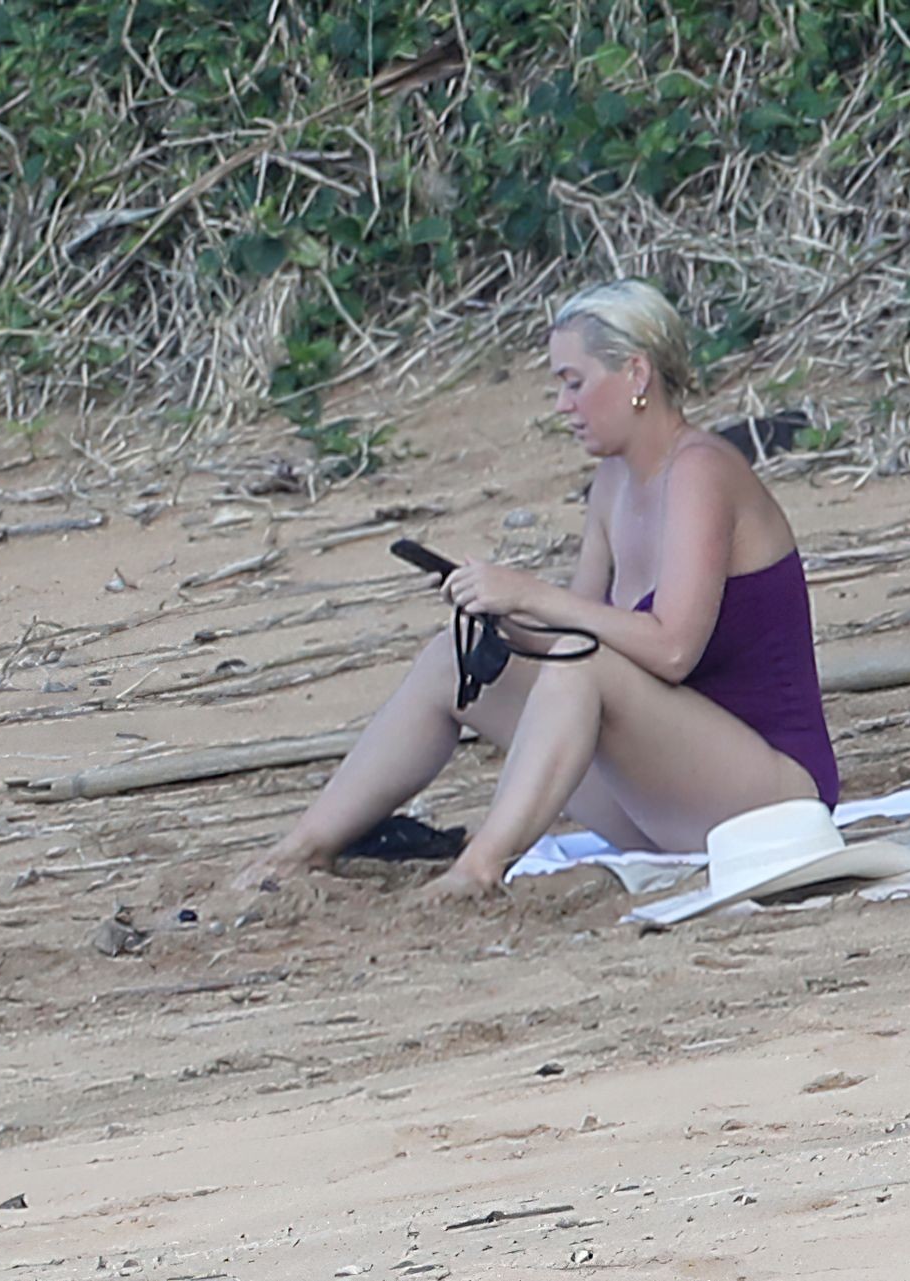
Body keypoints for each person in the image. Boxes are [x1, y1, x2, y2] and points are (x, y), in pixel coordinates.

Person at [233, 279, 839, 900]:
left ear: (636, 374)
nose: (562, 405)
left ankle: (478, 869)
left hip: (770, 800)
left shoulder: (701, 471)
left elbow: (672, 650)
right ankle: (301, 850)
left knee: (582, 666)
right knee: (453, 660)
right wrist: (497, 613)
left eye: (573, 383)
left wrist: (529, 593)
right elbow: (569, 640)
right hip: (667, 796)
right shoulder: (612, 483)